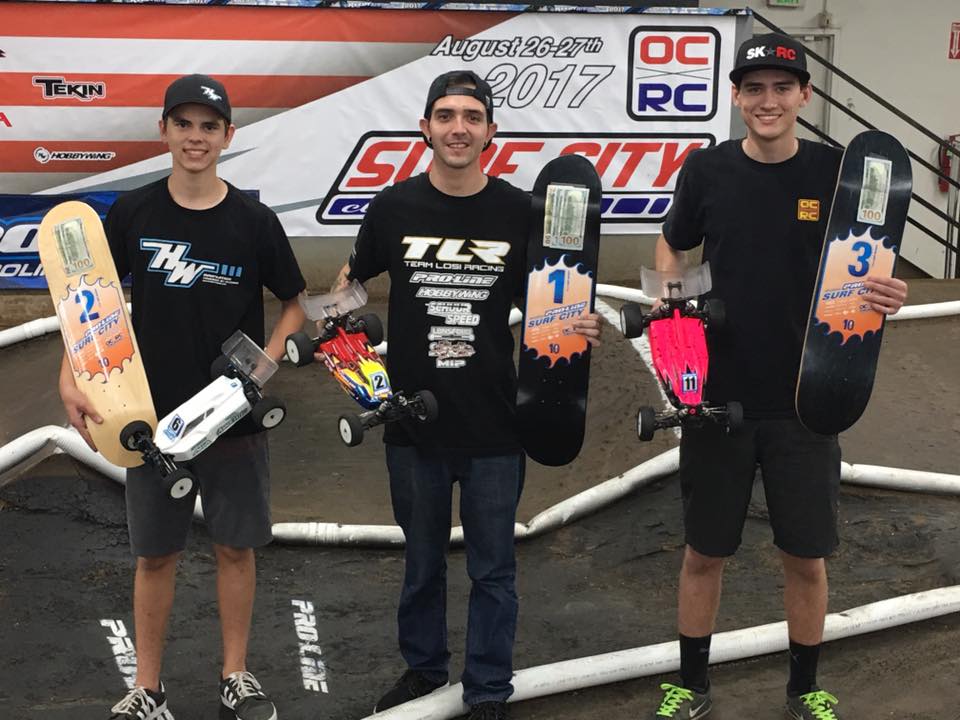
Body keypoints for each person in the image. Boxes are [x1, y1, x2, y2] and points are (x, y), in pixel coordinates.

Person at [646, 34, 908, 720]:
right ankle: (690, 685)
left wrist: (886, 291)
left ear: (804, 96)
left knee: (805, 558)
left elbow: (869, 258)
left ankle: (804, 689)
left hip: (807, 398)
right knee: (704, 554)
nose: (768, 100)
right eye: (754, 88)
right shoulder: (707, 170)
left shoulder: (835, 172)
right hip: (716, 398)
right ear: (736, 97)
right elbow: (672, 243)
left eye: (782, 88)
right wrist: (672, 305)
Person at [332, 70, 601, 720]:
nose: (459, 128)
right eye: (447, 115)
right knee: (421, 564)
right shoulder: (393, 207)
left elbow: (552, 295)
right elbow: (352, 278)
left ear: (490, 132)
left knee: (493, 571)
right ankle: (425, 673)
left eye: (472, 117)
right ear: (425, 128)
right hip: (411, 425)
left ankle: (487, 690)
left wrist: (575, 321)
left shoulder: (517, 212)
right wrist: (337, 332)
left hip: (495, 425)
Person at [58, 74, 306, 720]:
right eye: (184, 124)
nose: (196, 137)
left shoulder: (254, 221)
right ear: (163, 130)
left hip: (233, 418)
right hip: (151, 418)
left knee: (235, 548)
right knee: (155, 555)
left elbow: (294, 305)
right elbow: (91, 305)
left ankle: (235, 676)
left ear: (228, 135)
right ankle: (148, 688)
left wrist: (265, 363)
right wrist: (70, 376)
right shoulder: (133, 213)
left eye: (209, 126)